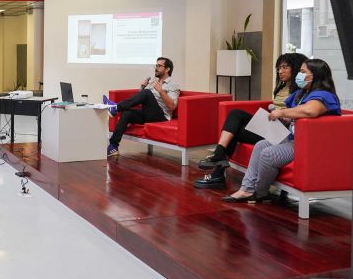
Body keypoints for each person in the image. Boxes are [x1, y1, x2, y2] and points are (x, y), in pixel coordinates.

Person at [222, 58, 341, 202]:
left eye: (303, 72)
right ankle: (246, 189)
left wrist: (282, 113)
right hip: (292, 139)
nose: (299, 75)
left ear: (315, 75)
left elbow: (310, 110)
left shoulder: (325, 95)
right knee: (260, 145)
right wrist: (287, 117)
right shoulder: (302, 93)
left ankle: (260, 193)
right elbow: (294, 112)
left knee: (268, 154)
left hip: (307, 145)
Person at [194, 53, 308, 189]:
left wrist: (282, 115)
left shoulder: (301, 91)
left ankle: (218, 164)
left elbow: (297, 113)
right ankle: (218, 166)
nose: (280, 71)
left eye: (285, 67)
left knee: (235, 125)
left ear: (295, 68)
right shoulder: (282, 87)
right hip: (272, 126)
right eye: (279, 68)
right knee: (235, 117)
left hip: (282, 133)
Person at [103, 57, 180, 157]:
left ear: (167, 69)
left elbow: (172, 106)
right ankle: (113, 146)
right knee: (127, 113)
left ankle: (115, 108)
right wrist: (142, 88)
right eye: (156, 66)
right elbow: (140, 99)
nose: (156, 68)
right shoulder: (153, 82)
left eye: (159, 66)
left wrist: (160, 91)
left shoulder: (173, 85)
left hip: (161, 116)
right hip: (148, 113)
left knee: (147, 93)